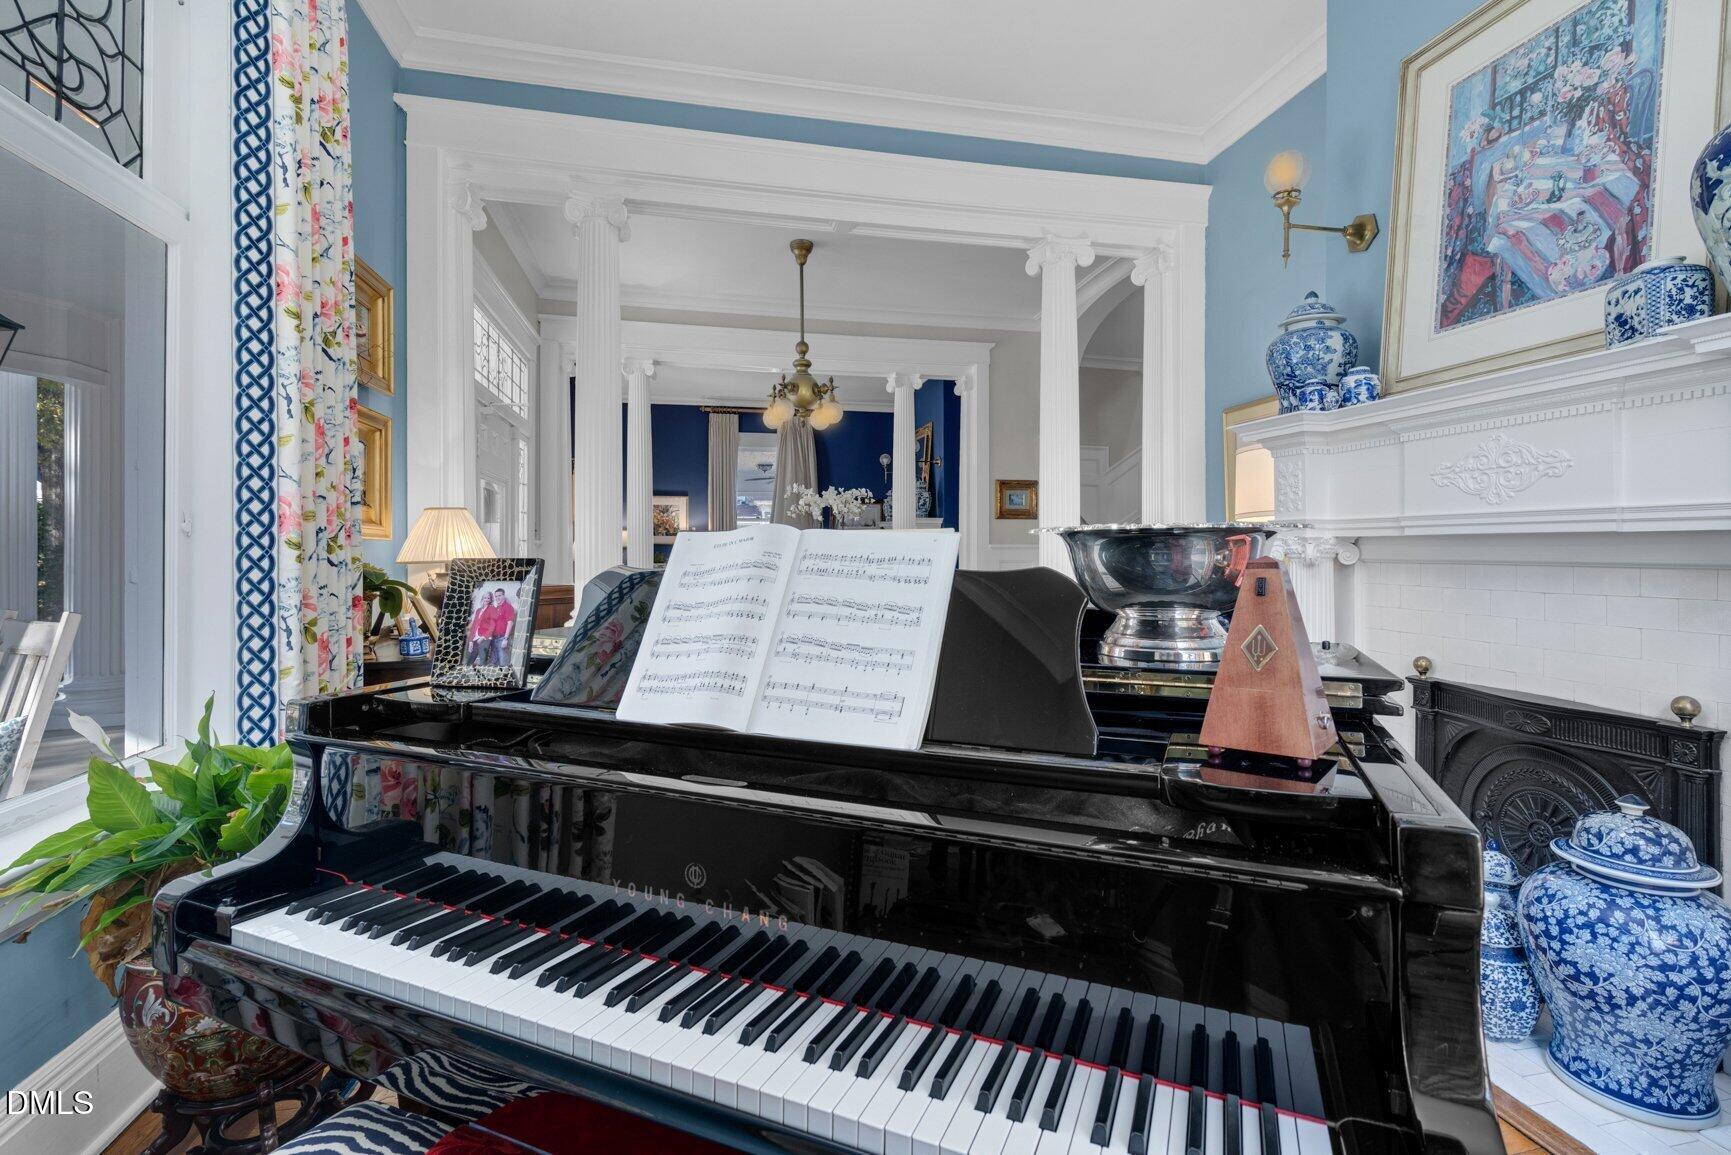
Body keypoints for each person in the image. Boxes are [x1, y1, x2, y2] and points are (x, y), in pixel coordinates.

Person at [466, 589, 498, 665]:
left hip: (485, 638)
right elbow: (474, 626)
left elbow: (493, 625)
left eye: (488, 598)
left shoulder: (492, 609)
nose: (486, 599)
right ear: (482, 598)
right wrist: (470, 641)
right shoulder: (478, 610)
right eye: (485, 598)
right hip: (475, 637)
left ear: (491, 599)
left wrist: (483, 637)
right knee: (470, 659)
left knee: (482, 660)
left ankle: (481, 675)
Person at [488, 588, 518, 666]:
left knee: (503, 663)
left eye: (499, 595)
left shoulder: (508, 607)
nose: (497, 597)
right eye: (496, 596)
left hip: (502, 639)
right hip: (494, 639)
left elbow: (510, 623)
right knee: (494, 663)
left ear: (504, 596)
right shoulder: (496, 608)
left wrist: (505, 639)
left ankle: (504, 678)